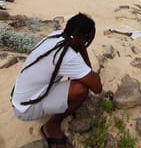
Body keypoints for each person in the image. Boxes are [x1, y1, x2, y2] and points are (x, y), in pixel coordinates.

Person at [11, 13, 102, 148]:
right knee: (81, 90)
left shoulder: (56, 35)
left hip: (19, 96)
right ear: (82, 38)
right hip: (25, 109)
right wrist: (82, 47)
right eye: (87, 39)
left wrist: (80, 44)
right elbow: (97, 87)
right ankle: (51, 126)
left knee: (80, 78)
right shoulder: (68, 56)